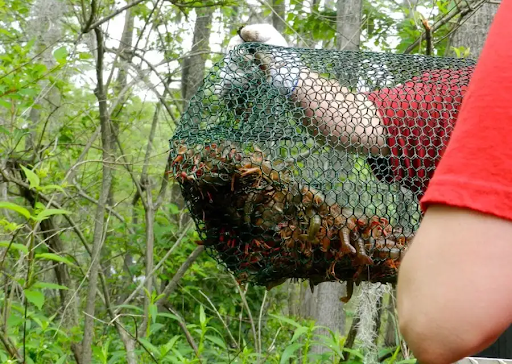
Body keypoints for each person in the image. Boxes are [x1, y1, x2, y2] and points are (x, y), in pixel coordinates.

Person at [223, 0, 512, 360]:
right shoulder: (470, 92)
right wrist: (287, 72)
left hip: (461, 317)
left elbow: (435, 324)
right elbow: (357, 119)